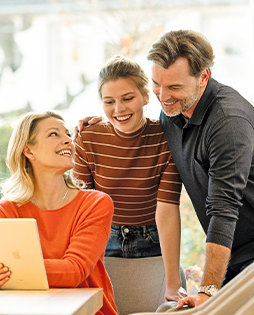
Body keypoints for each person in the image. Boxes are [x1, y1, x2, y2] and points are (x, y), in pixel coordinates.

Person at [146, 29, 254, 309]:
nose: (163, 96)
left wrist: (207, 290)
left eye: (174, 87)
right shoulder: (173, 112)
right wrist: (99, 125)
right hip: (236, 255)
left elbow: (223, 209)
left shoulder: (229, 121)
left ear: (203, 77)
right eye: (156, 84)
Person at [0, 111, 118, 315]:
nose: (68, 140)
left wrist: (13, 269)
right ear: (28, 151)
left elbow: (75, 271)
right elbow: (7, 276)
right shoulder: (4, 211)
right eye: (54, 134)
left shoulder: (95, 203)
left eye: (67, 134)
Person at [72, 55, 187, 302]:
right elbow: (79, 209)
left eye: (127, 98)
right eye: (109, 101)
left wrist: (173, 284)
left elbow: (166, 211)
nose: (119, 109)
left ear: (146, 97)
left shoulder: (166, 139)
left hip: (153, 242)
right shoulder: (88, 138)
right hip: (102, 241)